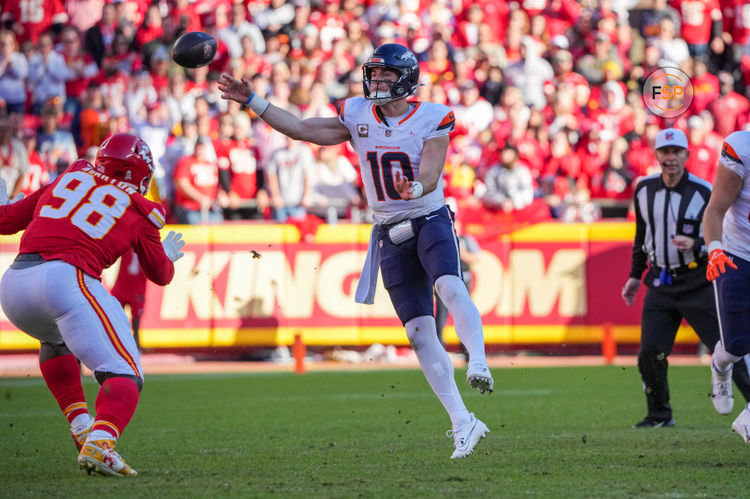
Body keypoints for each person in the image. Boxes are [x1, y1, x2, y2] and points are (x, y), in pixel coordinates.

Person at [219, 43, 494, 459]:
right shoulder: (357, 113)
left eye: (385, 75)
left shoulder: (434, 116)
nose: (377, 82)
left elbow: (433, 171)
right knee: (419, 333)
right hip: (387, 227)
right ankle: (463, 421)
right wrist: (253, 101)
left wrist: (415, 187)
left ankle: (478, 361)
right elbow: (300, 128)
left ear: (405, 79)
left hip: (428, 217)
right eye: (375, 74)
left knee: (449, 286)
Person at [0, 132, 185, 476]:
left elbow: (4, 220)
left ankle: (82, 425)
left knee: (55, 341)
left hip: (13, 285)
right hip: (66, 279)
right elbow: (160, 274)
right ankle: (101, 443)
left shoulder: (71, 175)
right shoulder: (140, 206)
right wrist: (169, 256)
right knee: (126, 373)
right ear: (139, 176)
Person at [621, 128, 750, 429]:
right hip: (660, 282)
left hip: (696, 281)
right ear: (656, 156)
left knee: (732, 345)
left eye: (676, 152)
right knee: (650, 352)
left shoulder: (704, 189)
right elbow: (641, 236)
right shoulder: (643, 189)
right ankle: (659, 415)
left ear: (686, 155)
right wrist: (634, 275)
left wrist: (697, 245)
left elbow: (717, 223)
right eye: (664, 152)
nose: (670, 158)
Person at [702, 130, 750, 443]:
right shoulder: (742, 148)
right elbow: (716, 208)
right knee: (737, 345)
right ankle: (720, 365)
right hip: (738, 254)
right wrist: (715, 248)